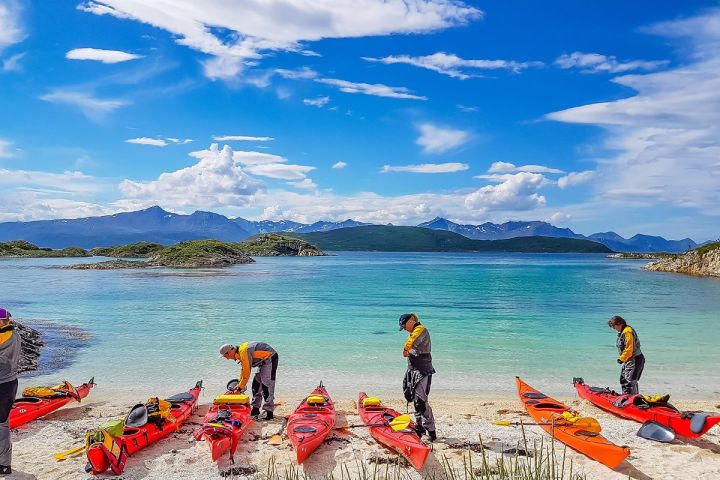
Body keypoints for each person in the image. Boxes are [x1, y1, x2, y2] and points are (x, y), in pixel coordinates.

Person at [399, 313, 436, 442]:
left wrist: (405, 349)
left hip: (422, 370)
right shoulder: (415, 331)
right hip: (414, 369)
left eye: (404, 326)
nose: (404, 329)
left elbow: (410, 342)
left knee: (421, 402)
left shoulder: (420, 330)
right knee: (415, 400)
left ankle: (431, 432)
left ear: (410, 321)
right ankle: (420, 428)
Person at [219, 342, 278, 420]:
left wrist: (239, 388)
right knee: (256, 385)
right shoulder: (240, 353)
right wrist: (239, 385)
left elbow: (247, 373)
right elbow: (243, 371)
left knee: (266, 385)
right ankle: (255, 410)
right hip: (262, 361)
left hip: (270, 358)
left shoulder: (244, 352)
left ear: (229, 351)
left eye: (225, 356)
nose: (227, 358)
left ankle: (269, 413)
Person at [0, 308, 20, 476]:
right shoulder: (15, 335)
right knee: (3, 423)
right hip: (11, 383)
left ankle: (4, 465)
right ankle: (4, 463)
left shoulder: (3, 338)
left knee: (1, 424)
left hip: (2, 385)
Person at [609, 315, 645, 395]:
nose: (614, 329)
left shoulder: (627, 332)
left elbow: (629, 348)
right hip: (629, 360)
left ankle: (630, 400)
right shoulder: (624, 331)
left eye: (614, 327)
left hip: (634, 359)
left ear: (619, 324)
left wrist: (621, 358)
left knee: (629, 381)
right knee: (624, 379)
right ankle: (627, 397)